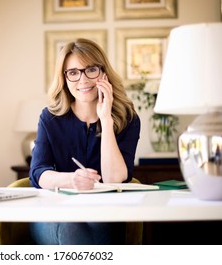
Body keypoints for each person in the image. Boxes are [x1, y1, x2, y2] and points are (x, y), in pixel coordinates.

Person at [29, 38, 140, 245]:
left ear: (103, 72)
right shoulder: (50, 118)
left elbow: (115, 178)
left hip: (103, 213)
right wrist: (72, 180)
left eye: (91, 70)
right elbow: (38, 173)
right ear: (64, 78)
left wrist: (106, 119)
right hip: (58, 211)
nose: (83, 80)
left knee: (98, 222)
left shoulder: (128, 118)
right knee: (70, 225)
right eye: (73, 72)